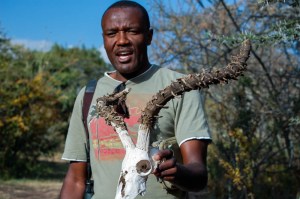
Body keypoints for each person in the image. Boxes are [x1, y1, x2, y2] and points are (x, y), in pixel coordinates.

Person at [59, 1, 211, 198]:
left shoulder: (181, 88)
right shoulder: (89, 94)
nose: (122, 40)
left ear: (149, 37)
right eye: (112, 33)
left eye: (132, 31)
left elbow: (199, 176)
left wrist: (177, 172)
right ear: (104, 39)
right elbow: (75, 179)